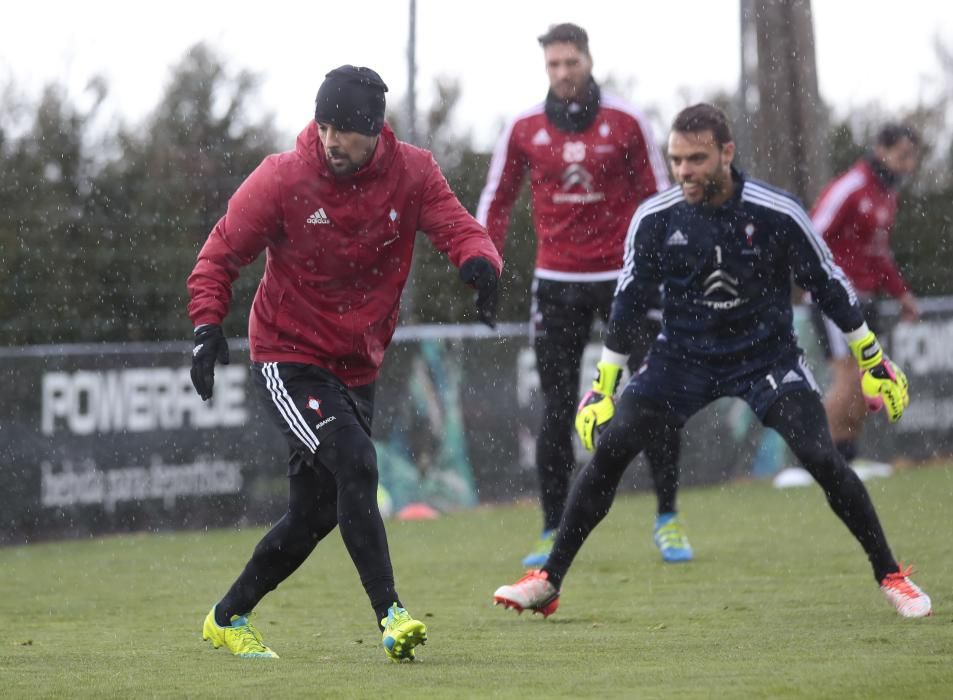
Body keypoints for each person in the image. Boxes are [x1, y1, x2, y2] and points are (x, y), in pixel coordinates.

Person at [493, 103, 932, 620]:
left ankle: (891, 575)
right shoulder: (655, 216)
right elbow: (629, 304)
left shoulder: (777, 211)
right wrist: (603, 386)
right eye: (677, 160)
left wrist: (872, 357)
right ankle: (549, 580)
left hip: (766, 357)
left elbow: (829, 285)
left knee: (821, 456)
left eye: (696, 159)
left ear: (727, 153)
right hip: (682, 359)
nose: (684, 172)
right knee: (611, 450)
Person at [188, 65, 503, 661]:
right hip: (288, 355)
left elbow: (458, 227)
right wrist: (207, 326)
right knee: (357, 464)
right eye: (324, 124)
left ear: (376, 131)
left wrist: (480, 263)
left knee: (313, 516)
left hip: (358, 366)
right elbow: (219, 254)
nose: (331, 140)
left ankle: (226, 617)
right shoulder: (282, 178)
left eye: (346, 130)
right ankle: (391, 614)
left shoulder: (413, 171)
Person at [477, 23, 691, 567]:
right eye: (553, 65)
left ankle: (667, 517)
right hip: (555, 286)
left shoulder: (627, 121)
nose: (563, 73)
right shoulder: (524, 128)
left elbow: (659, 198)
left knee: (656, 397)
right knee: (556, 409)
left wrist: (669, 268)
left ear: (589, 61)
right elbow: (495, 199)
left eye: (570, 62)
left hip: (626, 283)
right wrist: (482, 263)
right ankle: (552, 528)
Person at [811, 124, 921, 469]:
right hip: (835, 298)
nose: (908, 164)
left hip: (866, 299)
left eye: (912, 157)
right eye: (902, 155)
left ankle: (846, 458)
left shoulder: (887, 195)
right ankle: (815, 460)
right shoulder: (852, 186)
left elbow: (879, 254)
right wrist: (820, 284)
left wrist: (902, 294)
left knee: (865, 379)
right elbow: (811, 234)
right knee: (847, 376)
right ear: (881, 150)